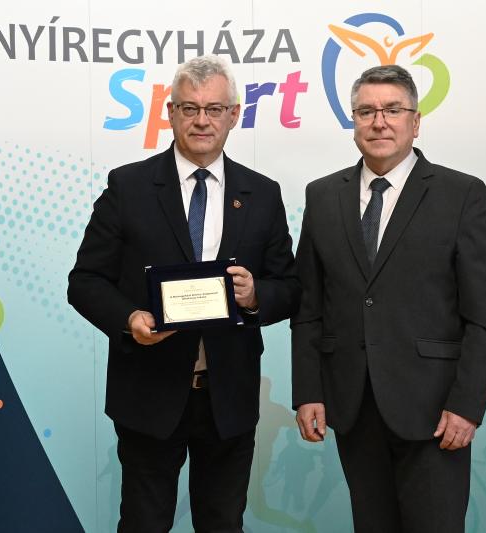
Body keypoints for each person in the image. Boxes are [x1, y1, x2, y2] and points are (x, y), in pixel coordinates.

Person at [68, 55, 299, 533]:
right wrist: (130, 319)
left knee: (223, 524)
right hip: (148, 393)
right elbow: (85, 281)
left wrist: (256, 295)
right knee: (143, 523)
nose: (202, 120)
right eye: (190, 108)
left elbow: (291, 288)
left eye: (214, 109)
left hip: (228, 397)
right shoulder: (128, 186)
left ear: (234, 115)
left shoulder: (263, 193)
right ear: (170, 113)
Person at [291, 64, 486, 532]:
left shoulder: (461, 194)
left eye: (392, 110)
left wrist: (467, 406)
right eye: (366, 111)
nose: (379, 122)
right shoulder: (323, 196)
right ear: (353, 121)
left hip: (436, 410)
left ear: (416, 120)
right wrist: (308, 392)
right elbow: (309, 308)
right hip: (353, 406)